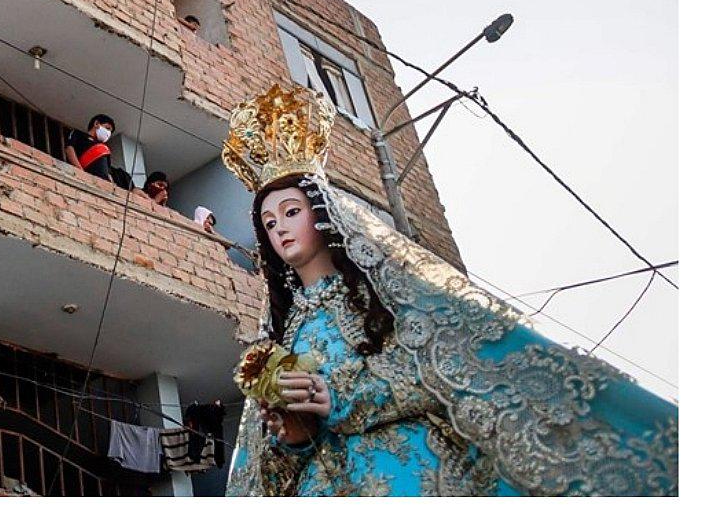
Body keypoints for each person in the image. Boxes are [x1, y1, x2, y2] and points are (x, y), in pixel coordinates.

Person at [222, 83, 678, 496]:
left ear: (322, 213)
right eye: (268, 222)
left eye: (290, 212)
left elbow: (441, 371)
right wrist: (291, 434)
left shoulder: (382, 293)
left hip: (411, 474)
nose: (280, 228)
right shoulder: (280, 334)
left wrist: (341, 394)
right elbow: (269, 468)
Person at [63, 115, 115, 182]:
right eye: (107, 128)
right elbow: (69, 149)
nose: (108, 133)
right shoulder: (78, 134)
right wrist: (81, 172)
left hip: (103, 184)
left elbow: (108, 172)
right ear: (96, 123)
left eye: (110, 132)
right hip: (86, 179)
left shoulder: (104, 148)